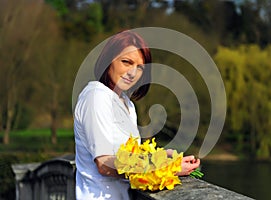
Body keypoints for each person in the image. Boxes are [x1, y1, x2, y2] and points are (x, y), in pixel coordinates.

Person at [74, 30, 200, 200]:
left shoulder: (127, 104)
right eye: (126, 62)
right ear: (108, 61)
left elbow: (128, 158)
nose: (133, 73)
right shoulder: (96, 95)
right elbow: (104, 164)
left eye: (140, 67)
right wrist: (168, 168)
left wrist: (163, 156)